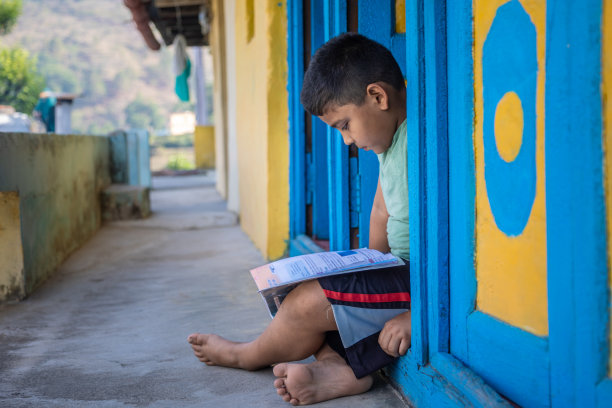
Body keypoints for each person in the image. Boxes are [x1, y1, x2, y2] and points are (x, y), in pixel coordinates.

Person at [188, 32, 411, 406]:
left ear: (377, 96)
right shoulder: (388, 142)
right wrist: (370, 269)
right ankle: (339, 369)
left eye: (344, 125)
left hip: (423, 283)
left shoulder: (423, 141)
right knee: (301, 291)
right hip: (397, 272)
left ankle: (247, 355)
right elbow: (380, 211)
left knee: (308, 303)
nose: (346, 140)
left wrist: (418, 316)